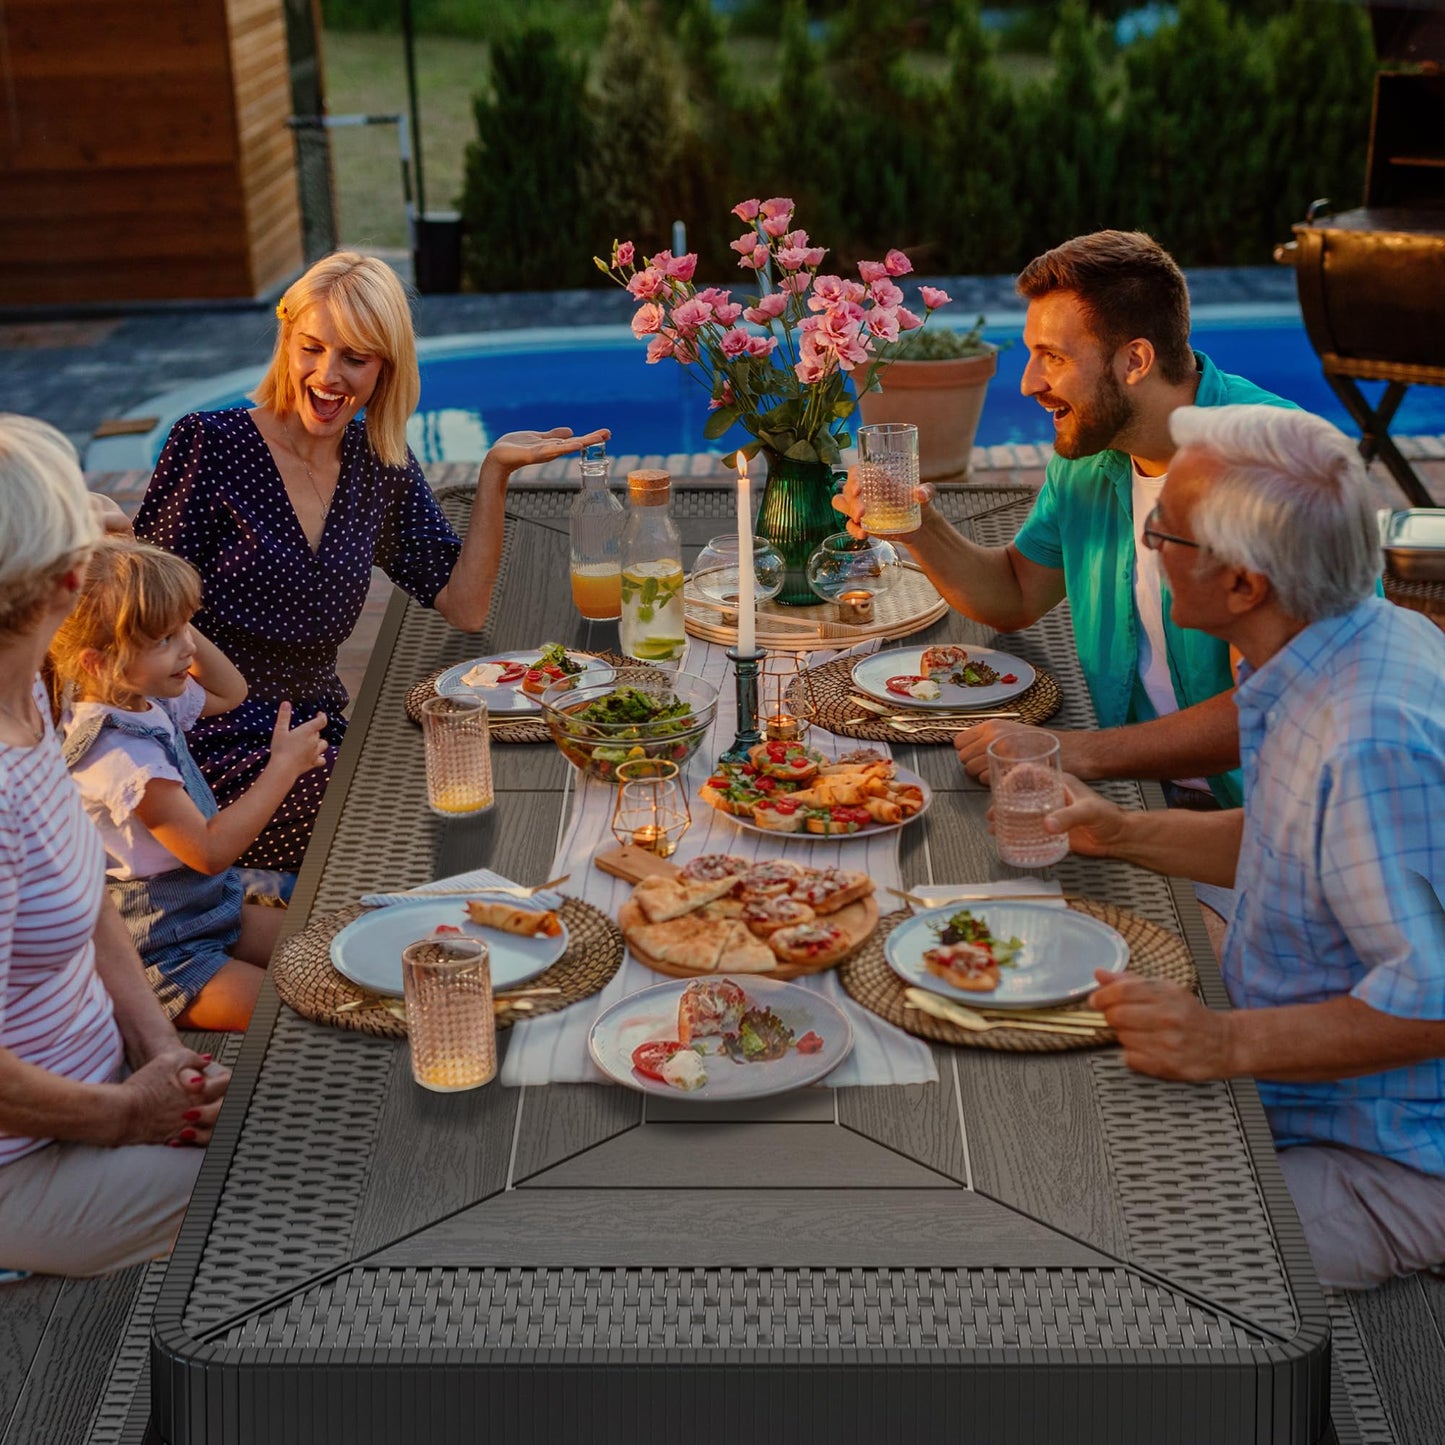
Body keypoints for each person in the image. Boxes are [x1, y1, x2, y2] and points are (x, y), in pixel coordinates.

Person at [1039, 404, 1445, 1290]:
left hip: (1393, 1153)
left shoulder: (1368, 736)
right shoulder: (1319, 649)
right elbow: (1302, 853)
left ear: (1242, 585)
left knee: (1088, 1251)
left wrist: (1220, 1045)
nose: (1147, 543)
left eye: (1164, 531)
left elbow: (1430, 1005)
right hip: (1299, 1084)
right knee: (1046, 1116)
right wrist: (1122, 832)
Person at [134, 250, 609, 876]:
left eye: (354, 358)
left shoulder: (377, 463)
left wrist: (494, 474)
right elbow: (141, 611)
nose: (328, 375)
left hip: (320, 734)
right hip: (212, 744)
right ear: (287, 340)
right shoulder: (212, 445)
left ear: (386, 368)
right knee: (419, 824)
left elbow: (463, 605)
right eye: (312, 348)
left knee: (492, 770)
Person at [835, 230, 1292, 808]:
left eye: (1052, 356)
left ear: (1135, 360)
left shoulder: (1273, 470)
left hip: (1258, 821)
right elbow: (1017, 592)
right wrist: (914, 523)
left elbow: (1274, 706)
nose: (1028, 383)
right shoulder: (1092, 455)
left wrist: (1072, 752)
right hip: (1140, 789)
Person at [0, 414, 229, 1278]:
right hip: (25, 1166)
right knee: (296, 1172)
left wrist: (161, 1053)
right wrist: (127, 1114)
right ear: (65, 581)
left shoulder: (34, 688)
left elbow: (92, 898)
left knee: (310, 1102)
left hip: (108, 1083)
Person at [49, 539, 328, 1030]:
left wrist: (166, 615)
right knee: (300, 1014)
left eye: (184, 630)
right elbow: (208, 849)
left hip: (214, 908)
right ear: (97, 662)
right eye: (163, 640)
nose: (189, 648)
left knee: (331, 953)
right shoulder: (120, 758)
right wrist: (282, 768)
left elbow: (230, 690)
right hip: (165, 954)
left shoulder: (140, 698)